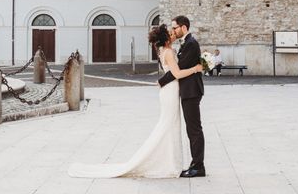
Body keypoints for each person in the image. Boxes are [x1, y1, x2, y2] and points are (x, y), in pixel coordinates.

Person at [68, 24, 202, 178]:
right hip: (170, 91)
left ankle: (170, 161)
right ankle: (166, 162)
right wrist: (195, 69)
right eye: (170, 33)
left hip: (169, 90)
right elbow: (177, 73)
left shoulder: (163, 51)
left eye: (173, 31)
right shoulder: (169, 52)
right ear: (166, 38)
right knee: (169, 124)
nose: (173, 34)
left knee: (169, 124)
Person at [159, 15, 206, 178]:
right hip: (188, 91)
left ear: (184, 27)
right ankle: (195, 164)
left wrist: (161, 81)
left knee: (194, 129)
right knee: (192, 129)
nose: (173, 30)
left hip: (191, 91)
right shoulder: (186, 43)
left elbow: (177, 71)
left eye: (175, 27)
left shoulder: (191, 44)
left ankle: (198, 166)